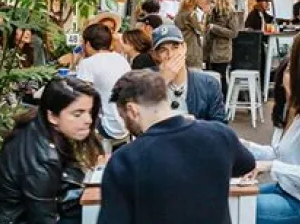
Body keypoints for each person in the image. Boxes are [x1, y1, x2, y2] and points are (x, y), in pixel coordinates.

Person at [99, 70, 256, 224]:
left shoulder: (125, 161)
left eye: (122, 117)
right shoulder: (220, 135)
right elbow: (247, 164)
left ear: (132, 110)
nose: (125, 124)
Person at [0, 78, 104, 224]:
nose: (88, 120)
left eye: (89, 112)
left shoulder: (38, 123)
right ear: (52, 116)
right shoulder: (43, 157)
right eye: (77, 114)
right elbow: (43, 218)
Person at [241, 63, 300, 224]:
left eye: (299, 72)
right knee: (230, 197)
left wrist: (271, 166)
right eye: (289, 71)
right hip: (284, 189)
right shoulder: (287, 109)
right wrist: (244, 146)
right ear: (281, 78)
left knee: (235, 207)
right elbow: (279, 152)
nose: (295, 77)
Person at [149, 24, 228, 123]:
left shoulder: (208, 84)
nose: (170, 55)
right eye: (163, 50)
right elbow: (138, 122)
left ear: (184, 48)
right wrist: (162, 81)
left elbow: (220, 126)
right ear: (155, 55)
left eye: (175, 47)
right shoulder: (145, 81)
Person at [74, 23, 131, 144]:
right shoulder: (120, 59)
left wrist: (78, 59)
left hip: (107, 127)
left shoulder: (88, 63)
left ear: (88, 44)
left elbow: (80, 95)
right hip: (127, 125)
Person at [206, 0, 243, 94]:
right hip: (209, 52)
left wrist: (214, 28)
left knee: (220, 79)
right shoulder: (211, 12)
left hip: (222, 52)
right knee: (210, 80)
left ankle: (223, 105)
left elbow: (234, 33)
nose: (211, 2)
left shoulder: (230, 13)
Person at [176, 0, 206, 68]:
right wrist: (203, 20)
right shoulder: (191, 14)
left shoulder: (179, 14)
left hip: (181, 46)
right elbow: (200, 29)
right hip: (192, 47)